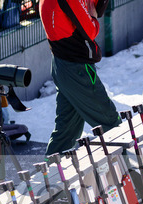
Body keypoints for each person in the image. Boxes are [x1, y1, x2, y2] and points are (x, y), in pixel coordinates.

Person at [39, 0, 120, 155]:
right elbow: (90, 30)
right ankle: (130, 166)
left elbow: (95, 8)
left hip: (64, 63)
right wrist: (92, 18)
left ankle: (52, 168)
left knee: (67, 131)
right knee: (110, 121)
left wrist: (93, 13)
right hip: (76, 68)